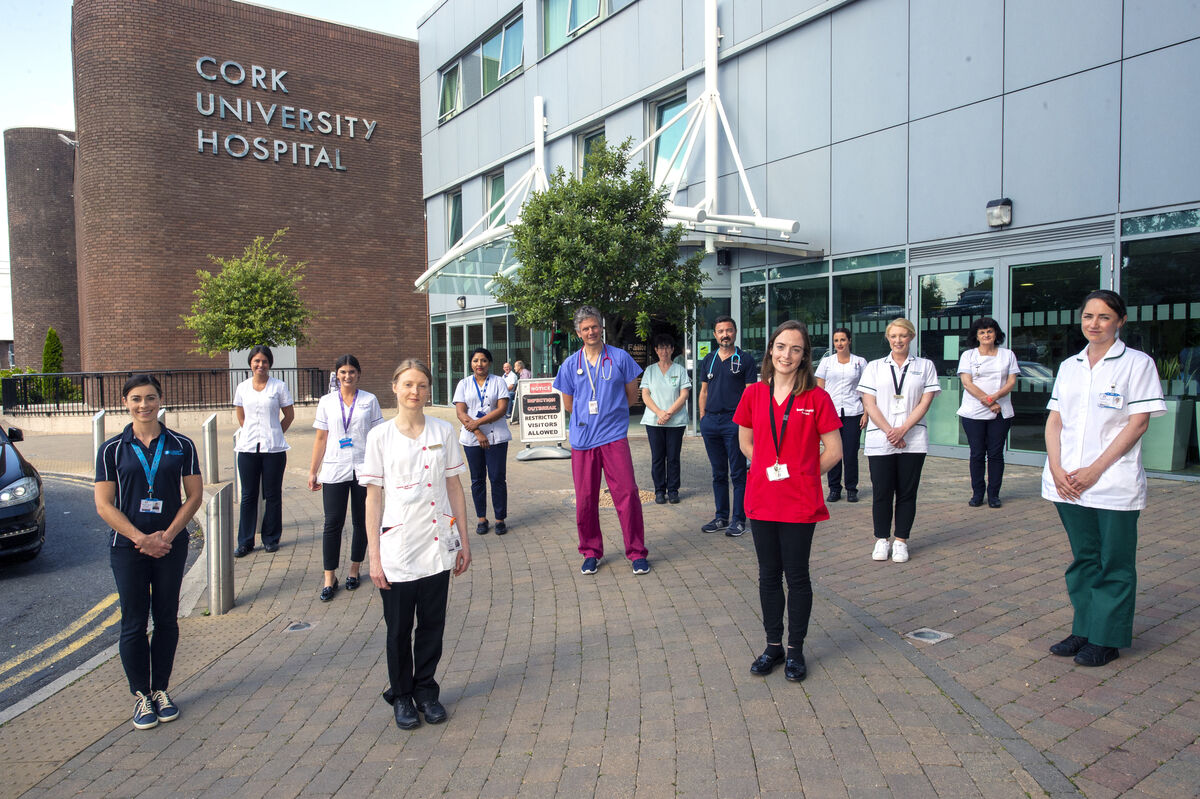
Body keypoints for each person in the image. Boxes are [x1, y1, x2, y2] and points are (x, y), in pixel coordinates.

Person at [1043, 290, 1164, 668]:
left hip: (1112, 482)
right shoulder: (1070, 365)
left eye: (1104, 317)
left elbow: (1138, 423)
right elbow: (1055, 420)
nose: (1094, 324)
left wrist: (1095, 470)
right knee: (1084, 559)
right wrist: (1056, 467)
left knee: (1114, 561)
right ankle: (1084, 628)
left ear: (1120, 321)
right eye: (1088, 316)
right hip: (1067, 481)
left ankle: (1107, 638)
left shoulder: (1137, 364)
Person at [361, 360, 471, 729]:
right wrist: (374, 557)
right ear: (394, 387)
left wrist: (464, 542)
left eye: (422, 385)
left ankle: (426, 691)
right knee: (398, 630)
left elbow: (454, 487)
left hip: (437, 546)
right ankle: (402, 695)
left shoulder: (443, 430)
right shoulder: (380, 436)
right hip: (398, 550)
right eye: (408, 384)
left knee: (432, 625)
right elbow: (373, 498)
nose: (415, 391)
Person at [94, 375, 203, 730]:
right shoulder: (111, 450)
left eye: (151, 398)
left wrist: (166, 536)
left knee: (167, 618)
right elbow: (104, 504)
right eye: (137, 399)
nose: (144, 405)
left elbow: (194, 496)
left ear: (160, 399)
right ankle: (141, 695)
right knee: (134, 621)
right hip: (128, 547)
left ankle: (161, 690)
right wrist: (141, 538)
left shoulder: (182, 445)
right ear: (125, 402)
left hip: (171, 545)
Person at [735, 321, 842, 683]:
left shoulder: (816, 398)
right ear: (771, 350)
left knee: (796, 576)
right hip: (762, 498)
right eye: (781, 347)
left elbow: (835, 450)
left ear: (804, 356)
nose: (787, 355)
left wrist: (804, 475)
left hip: (799, 501)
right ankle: (773, 647)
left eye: (796, 349)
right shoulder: (753, 394)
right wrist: (766, 467)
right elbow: (745, 442)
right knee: (768, 575)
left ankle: (795, 650)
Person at [553, 305, 650, 575]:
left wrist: (611, 416)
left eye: (594, 326)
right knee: (585, 499)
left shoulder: (619, 358)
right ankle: (590, 552)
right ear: (578, 333)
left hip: (613, 437)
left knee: (627, 494)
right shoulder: (570, 364)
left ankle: (636, 552)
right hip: (583, 440)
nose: (591, 332)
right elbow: (569, 404)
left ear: (601, 327)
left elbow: (631, 396)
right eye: (585, 328)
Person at [857, 319, 941, 563]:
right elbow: (869, 402)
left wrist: (903, 429)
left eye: (903, 335)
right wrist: (890, 431)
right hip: (880, 438)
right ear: (888, 338)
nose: (898, 340)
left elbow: (925, 402)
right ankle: (882, 539)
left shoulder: (925, 366)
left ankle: (901, 541)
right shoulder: (874, 367)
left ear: (911, 337)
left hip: (913, 439)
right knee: (882, 492)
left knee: (907, 492)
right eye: (893, 336)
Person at [308, 355, 385, 601]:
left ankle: (354, 569)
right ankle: (329, 577)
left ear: (358, 374)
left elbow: (378, 436)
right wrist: (313, 470)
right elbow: (321, 438)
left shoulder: (369, 400)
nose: (347, 376)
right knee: (332, 523)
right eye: (343, 372)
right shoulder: (327, 402)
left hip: (364, 468)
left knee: (362, 521)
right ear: (337, 375)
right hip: (335, 468)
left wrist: (383, 470)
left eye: (352, 372)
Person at [698, 315, 758, 537]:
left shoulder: (745, 360)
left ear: (735, 332)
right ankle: (721, 517)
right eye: (721, 331)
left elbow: (750, 394)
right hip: (711, 423)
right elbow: (703, 391)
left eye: (729, 330)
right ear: (715, 335)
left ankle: (738, 520)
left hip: (735, 422)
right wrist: (703, 418)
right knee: (718, 473)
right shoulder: (709, 359)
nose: (725, 335)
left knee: (738, 473)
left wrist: (745, 423)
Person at [233, 346, 294, 557]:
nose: (260, 365)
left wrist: (275, 432)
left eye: (264, 361)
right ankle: (245, 541)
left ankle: (271, 538)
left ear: (270, 364)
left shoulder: (279, 386)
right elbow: (241, 416)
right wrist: (252, 432)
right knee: (248, 495)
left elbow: (289, 415)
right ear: (251, 363)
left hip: (273, 449)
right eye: (257, 361)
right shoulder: (242, 387)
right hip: (248, 448)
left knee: (273, 494)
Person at [957, 317, 1020, 508]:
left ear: (996, 334)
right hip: (973, 412)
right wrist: (989, 401)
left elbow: (1011, 382)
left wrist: (995, 398)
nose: (986, 335)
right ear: (976, 336)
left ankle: (994, 495)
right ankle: (977, 494)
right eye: (982, 332)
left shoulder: (1007, 355)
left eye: (990, 331)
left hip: (1000, 412)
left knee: (995, 454)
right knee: (977, 454)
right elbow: (967, 383)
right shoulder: (968, 355)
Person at [453, 348, 511, 535]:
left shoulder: (498, 382)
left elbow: (501, 409)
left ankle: (500, 519)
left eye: (484, 360)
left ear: (490, 363)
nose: (480, 364)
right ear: (471, 363)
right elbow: (461, 412)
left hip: (497, 438)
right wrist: (477, 431)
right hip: (472, 439)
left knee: (497, 478)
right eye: (476, 360)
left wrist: (477, 422)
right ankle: (481, 519)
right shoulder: (463, 384)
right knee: (477, 479)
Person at [815, 327, 867, 503]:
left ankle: (851, 489)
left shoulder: (860, 362)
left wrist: (866, 413)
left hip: (854, 411)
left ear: (849, 341)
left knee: (850, 453)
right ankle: (834, 489)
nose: (839, 343)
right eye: (836, 340)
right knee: (833, 451)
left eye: (843, 340)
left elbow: (866, 390)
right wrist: (819, 413)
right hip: (831, 413)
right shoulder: (826, 362)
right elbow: (820, 390)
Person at [640, 333, 692, 504]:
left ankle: (673, 490)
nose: (664, 351)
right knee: (657, 457)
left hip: (675, 422)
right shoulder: (650, 370)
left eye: (667, 347)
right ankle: (659, 491)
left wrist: (668, 413)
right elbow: (645, 395)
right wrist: (659, 413)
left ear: (672, 349)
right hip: (654, 421)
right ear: (656, 350)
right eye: (660, 348)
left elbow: (684, 394)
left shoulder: (680, 370)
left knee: (673, 457)